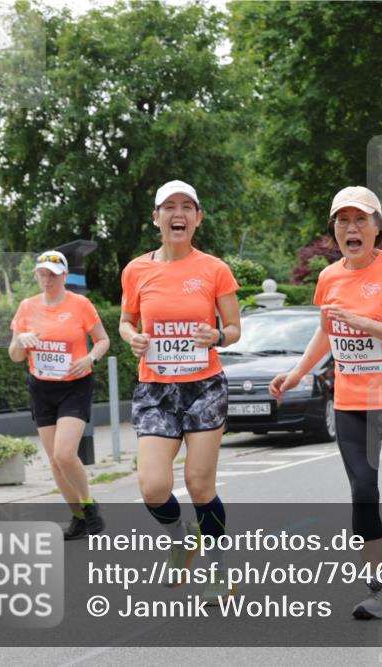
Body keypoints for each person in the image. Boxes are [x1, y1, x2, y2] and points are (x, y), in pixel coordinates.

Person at [270, 186, 382, 620]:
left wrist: (365, 321)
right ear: (334, 231)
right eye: (342, 220)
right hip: (351, 402)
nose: (351, 227)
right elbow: (325, 333)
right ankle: (380, 590)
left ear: (377, 227)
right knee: (363, 489)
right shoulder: (329, 278)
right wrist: (296, 373)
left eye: (360, 219)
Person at [119, 180, 241, 603]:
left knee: (200, 484)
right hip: (156, 388)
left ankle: (218, 568)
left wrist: (218, 336)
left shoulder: (214, 269)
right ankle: (181, 536)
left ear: (197, 218)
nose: (179, 213)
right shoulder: (136, 270)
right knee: (152, 486)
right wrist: (131, 337)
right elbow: (126, 321)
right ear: (156, 218)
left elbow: (235, 329)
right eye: (169, 207)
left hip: (203, 386)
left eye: (187, 207)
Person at [9, 250, 110, 540]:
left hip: (75, 384)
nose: (47, 279)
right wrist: (21, 342)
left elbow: (103, 340)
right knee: (54, 461)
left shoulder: (80, 305)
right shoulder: (27, 307)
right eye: (42, 273)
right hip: (42, 388)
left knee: (65, 454)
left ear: (64, 276)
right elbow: (15, 355)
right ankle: (78, 518)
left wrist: (90, 358)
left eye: (53, 274)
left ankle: (90, 508)